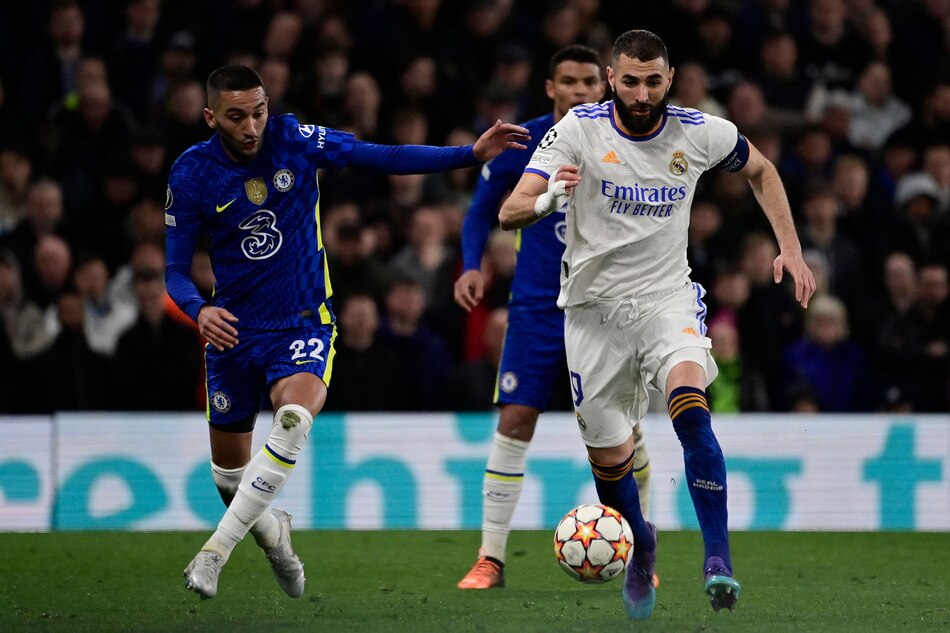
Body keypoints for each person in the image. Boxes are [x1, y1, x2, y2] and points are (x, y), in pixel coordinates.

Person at [164, 64, 529, 600]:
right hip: (234, 332)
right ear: (210, 116)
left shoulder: (292, 139)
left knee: (292, 419)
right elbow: (174, 270)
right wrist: (198, 310)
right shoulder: (191, 173)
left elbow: (383, 156)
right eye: (236, 116)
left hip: (303, 322)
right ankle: (275, 537)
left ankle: (213, 554)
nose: (251, 127)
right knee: (227, 480)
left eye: (258, 112)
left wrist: (467, 156)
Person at [498, 30, 816, 618]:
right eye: (629, 81)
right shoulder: (577, 131)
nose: (642, 93)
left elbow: (763, 171)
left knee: (691, 409)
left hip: (666, 300)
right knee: (610, 464)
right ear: (612, 80)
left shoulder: (700, 132)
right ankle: (642, 546)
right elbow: (509, 209)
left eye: (653, 81)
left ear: (669, 78)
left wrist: (791, 250)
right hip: (592, 316)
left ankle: (718, 560)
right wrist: (548, 200)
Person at [454, 44, 654, 591]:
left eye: (590, 81)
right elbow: (480, 211)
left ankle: (641, 557)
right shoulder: (524, 142)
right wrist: (472, 266)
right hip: (539, 304)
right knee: (515, 419)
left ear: (607, 83)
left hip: (610, 305)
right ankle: (489, 559)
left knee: (625, 429)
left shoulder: (634, 138)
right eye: (568, 81)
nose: (580, 91)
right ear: (551, 87)